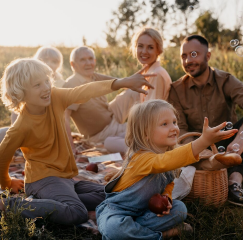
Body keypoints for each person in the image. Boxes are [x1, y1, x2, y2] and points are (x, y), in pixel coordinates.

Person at [0, 58, 154, 225]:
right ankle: (9, 204)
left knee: (116, 195)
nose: (45, 87)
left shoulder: (55, 97)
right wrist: (7, 183)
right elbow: (3, 157)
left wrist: (121, 82)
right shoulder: (20, 128)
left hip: (66, 178)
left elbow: (82, 91)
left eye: (46, 81)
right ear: (20, 92)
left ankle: (58, 200)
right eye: (37, 85)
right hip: (41, 180)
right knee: (77, 212)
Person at [96, 99, 238, 239]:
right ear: (145, 133)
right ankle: (163, 235)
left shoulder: (168, 157)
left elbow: (169, 182)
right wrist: (203, 141)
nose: (174, 128)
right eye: (164, 124)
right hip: (118, 211)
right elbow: (164, 162)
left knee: (180, 209)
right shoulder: (141, 158)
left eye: (174, 122)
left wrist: (167, 197)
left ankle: (136, 231)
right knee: (114, 229)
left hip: (147, 211)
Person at [168, 35, 243, 207]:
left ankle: (234, 181)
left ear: (207, 56)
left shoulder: (225, 80)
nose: (188, 60)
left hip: (229, 143)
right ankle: (241, 165)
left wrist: (241, 137)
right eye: (183, 56)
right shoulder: (176, 90)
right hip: (197, 147)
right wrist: (201, 151)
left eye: (193, 54)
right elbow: (181, 130)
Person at [63, 46, 143, 154]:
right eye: (82, 60)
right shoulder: (72, 84)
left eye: (90, 59)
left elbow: (120, 82)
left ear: (94, 61)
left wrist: (135, 79)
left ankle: (152, 115)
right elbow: (64, 117)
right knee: (142, 130)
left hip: (112, 116)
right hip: (101, 134)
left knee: (133, 92)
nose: (88, 63)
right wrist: (71, 148)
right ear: (73, 65)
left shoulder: (94, 76)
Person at [0, 46, 66, 143]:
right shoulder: (28, 80)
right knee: (3, 132)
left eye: (54, 62)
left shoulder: (62, 83)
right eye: (45, 60)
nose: (49, 64)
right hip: (27, 123)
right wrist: (16, 129)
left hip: (48, 125)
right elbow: (17, 109)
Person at [130, 27, 172, 102]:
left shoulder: (156, 75)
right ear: (135, 47)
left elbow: (152, 111)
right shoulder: (148, 73)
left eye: (150, 47)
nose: (144, 51)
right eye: (140, 46)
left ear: (158, 51)